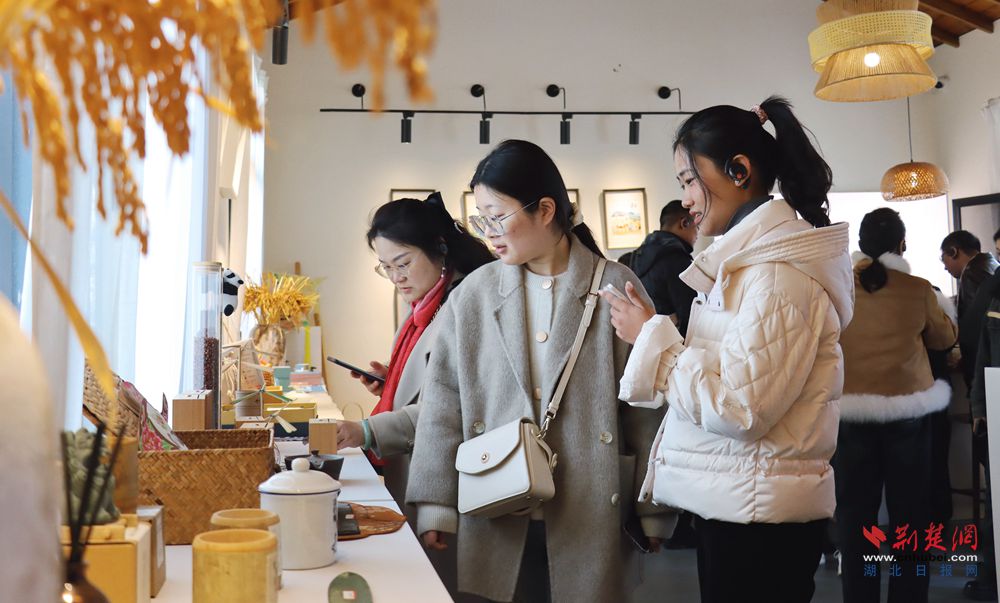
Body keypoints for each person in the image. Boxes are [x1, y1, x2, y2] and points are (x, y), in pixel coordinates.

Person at [600, 96, 854, 603]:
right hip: (743, 501)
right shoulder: (751, 266)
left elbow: (740, 408)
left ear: (739, 171)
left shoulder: (776, 275)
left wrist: (653, 338)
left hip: (760, 518)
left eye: (689, 181)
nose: (686, 200)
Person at [405, 140, 673, 603]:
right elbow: (443, 404)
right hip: (494, 499)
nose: (488, 233)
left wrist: (654, 509)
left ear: (546, 210)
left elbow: (647, 406)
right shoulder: (474, 295)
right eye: (481, 219)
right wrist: (435, 504)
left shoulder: (614, 286)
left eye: (497, 217)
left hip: (590, 502)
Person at [334, 193, 494, 599]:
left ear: (439, 248)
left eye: (403, 263)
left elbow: (452, 407)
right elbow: (432, 380)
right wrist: (393, 381)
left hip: (446, 478)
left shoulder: (465, 303)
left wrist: (367, 430)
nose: (396, 277)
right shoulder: (426, 303)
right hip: (418, 467)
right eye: (386, 267)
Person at [834, 208, 957, 603]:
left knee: (856, 516)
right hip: (908, 414)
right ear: (902, 244)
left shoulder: (839, 287)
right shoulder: (918, 288)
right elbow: (943, 340)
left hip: (851, 414)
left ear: (860, 244)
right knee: (911, 516)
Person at [625, 200, 698, 336]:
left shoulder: (637, 256)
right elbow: (690, 315)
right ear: (684, 223)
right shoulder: (677, 259)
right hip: (670, 341)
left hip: (642, 338)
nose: (697, 235)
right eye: (697, 227)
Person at [941, 230, 999, 387]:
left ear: (953, 251)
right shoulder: (991, 264)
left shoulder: (972, 272)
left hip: (985, 365)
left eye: (943, 259)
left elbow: (977, 325)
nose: (945, 267)